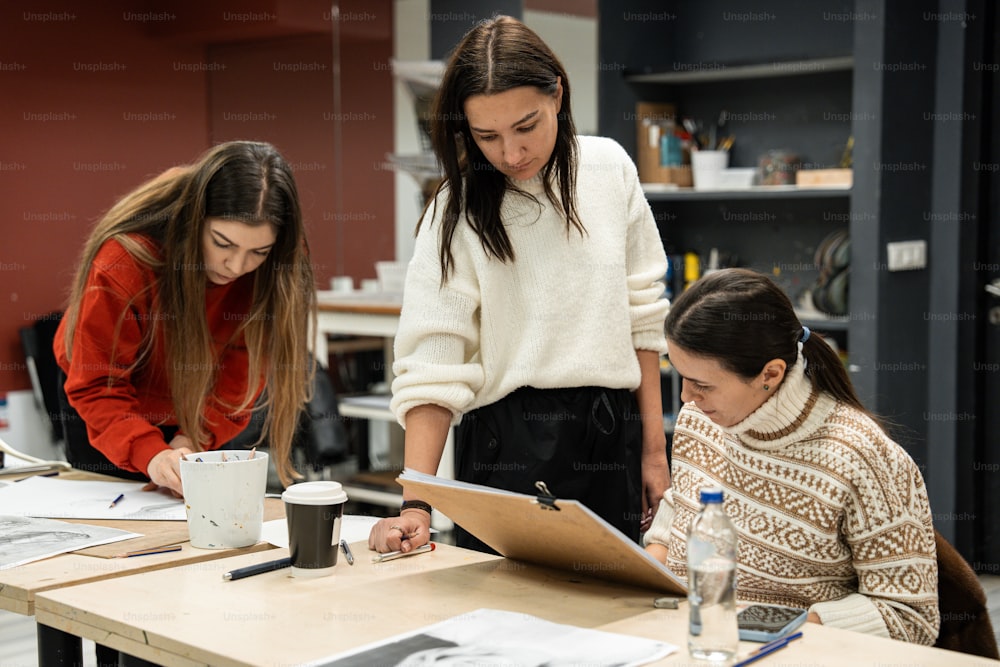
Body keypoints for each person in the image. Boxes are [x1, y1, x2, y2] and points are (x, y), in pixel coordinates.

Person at [369, 15, 670, 555]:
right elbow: (434, 361)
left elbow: (642, 319)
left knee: (609, 621)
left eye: (526, 126)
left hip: (610, 433)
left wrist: (654, 451)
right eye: (487, 136)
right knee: (501, 617)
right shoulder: (454, 211)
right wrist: (415, 501)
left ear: (558, 94)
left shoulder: (609, 170)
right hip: (504, 441)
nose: (511, 154)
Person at [643, 268, 939, 645]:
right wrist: (643, 569)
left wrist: (777, 628)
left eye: (702, 384)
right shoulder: (700, 420)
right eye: (682, 376)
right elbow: (680, 516)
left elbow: (910, 618)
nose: (686, 397)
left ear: (771, 373)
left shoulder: (863, 457)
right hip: (683, 639)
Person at [55, 140, 316, 496]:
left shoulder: (279, 261)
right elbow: (98, 384)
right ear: (195, 219)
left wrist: (193, 437)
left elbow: (240, 370)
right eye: (222, 243)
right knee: (114, 520)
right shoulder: (125, 260)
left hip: (198, 403)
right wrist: (152, 456)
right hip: (105, 398)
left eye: (258, 251)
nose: (237, 266)